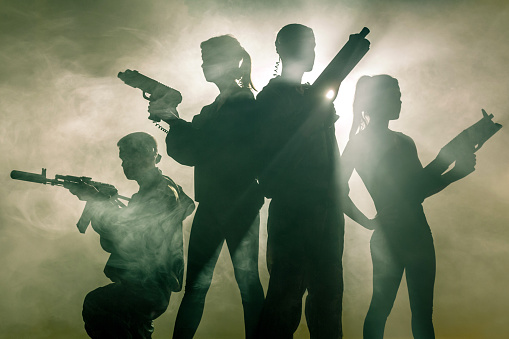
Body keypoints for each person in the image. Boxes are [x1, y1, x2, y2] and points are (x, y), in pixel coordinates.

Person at [341, 75, 476, 339]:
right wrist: (366, 221)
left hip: (411, 232)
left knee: (409, 313)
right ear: (379, 100)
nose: (400, 101)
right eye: (395, 95)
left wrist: (455, 172)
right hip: (402, 234)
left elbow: (418, 190)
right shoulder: (363, 143)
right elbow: (336, 190)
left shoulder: (401, 140)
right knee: (395, 312)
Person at [147, 35, 264, 339]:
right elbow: (187, 154)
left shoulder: (242, 101)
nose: (203, 65)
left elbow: (210, 146)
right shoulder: (213, 108)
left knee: (245, 285)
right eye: (202, 59)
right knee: (201, 287)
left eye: (209, 58)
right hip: (215, 203)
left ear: (229, 63)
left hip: (236, 202)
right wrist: (172, 121)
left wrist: (174, 120)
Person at [255, 24, 367, 339]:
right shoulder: (273, 97)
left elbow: (326, 156)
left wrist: (341, 199)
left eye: (313, 44)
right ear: (280, 49)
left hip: (325, 208)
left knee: (328, 299)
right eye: (302, 44)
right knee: (285, 297)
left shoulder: (309, 95)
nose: (310, 51)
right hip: (294, 207)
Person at [67, 132, 194, 339]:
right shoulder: (156, 189)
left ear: (147, 157)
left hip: (149, 285)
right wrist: (102, 199)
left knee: (96, 304)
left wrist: (98, 201)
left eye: (128, 157)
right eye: (123, 158)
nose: (124, 164)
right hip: (147, 285)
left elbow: (126, 234)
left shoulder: (161, 193)